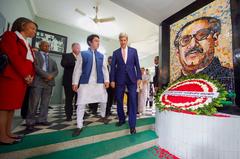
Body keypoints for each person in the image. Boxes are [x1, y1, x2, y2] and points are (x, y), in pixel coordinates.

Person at [0, 17, 37, 144]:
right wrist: (25, 74)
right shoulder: (10, 36)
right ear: (22, 25)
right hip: (10, 78)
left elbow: (32, 63)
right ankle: (1, 136)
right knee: (4, 107)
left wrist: (30, 76)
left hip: (22, 80)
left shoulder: (27, 43)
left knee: (11, 108)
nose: (34, 32)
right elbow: (13, 56)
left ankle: (8, 133)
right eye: (32, 28)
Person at [174, 16, 234, 91]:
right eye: (185, 40)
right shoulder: (173, 87)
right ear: (177, 52)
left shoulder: (231, 78)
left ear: (215, 40)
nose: (193, 44)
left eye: (202, 35)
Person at [72, 34, 109, 137]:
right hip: (85, 83)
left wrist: (107, 80)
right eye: (96, 41)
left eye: (98, 41)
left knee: (103, 100)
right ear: (90, 42)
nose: (98, 42)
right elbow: (77, 69)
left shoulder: (101, 55)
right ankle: (79, 126)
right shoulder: (82, 54)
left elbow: (105, 69)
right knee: (81, 103)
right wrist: (75, 83)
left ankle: (103, 116)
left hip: (99, 83)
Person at [110, 33, 141, 134]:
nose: (123, 42)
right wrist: (112, 80)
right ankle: (122, 119)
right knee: (119, 99)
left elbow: (137, 65)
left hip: (132, 79)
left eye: (124, 40)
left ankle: (132, 125)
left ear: (127, 40)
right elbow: (113, 68)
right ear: (119, 41)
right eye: (121, 40)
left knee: (132, 100)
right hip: (119, 79)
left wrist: (139, 77)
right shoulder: (115, 53)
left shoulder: (133, 51)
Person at [26, 41, 58, 131]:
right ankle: (30, 122)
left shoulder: (52, 60)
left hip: (49, 83)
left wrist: (51, 76)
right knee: (33, 103)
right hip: (37, 82)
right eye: (45, 45)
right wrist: (46, 75)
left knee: (45, 103)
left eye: (48, 46)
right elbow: (35, 67)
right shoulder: (35, 55)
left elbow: (56, 70)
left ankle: (42, 119)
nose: (47, 47)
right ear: (40, 46)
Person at [61, 43, 80, 121]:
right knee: (69, 99)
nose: (79, 50)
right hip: (69, 82)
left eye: (79, 48)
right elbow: (63, 64)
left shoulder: (81, 57)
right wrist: (75, 62)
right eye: (78, 48)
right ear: (73, 48)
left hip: (79, 83)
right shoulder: (66, 55)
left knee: (79, 99)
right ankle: (68, 115)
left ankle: (79, 113)